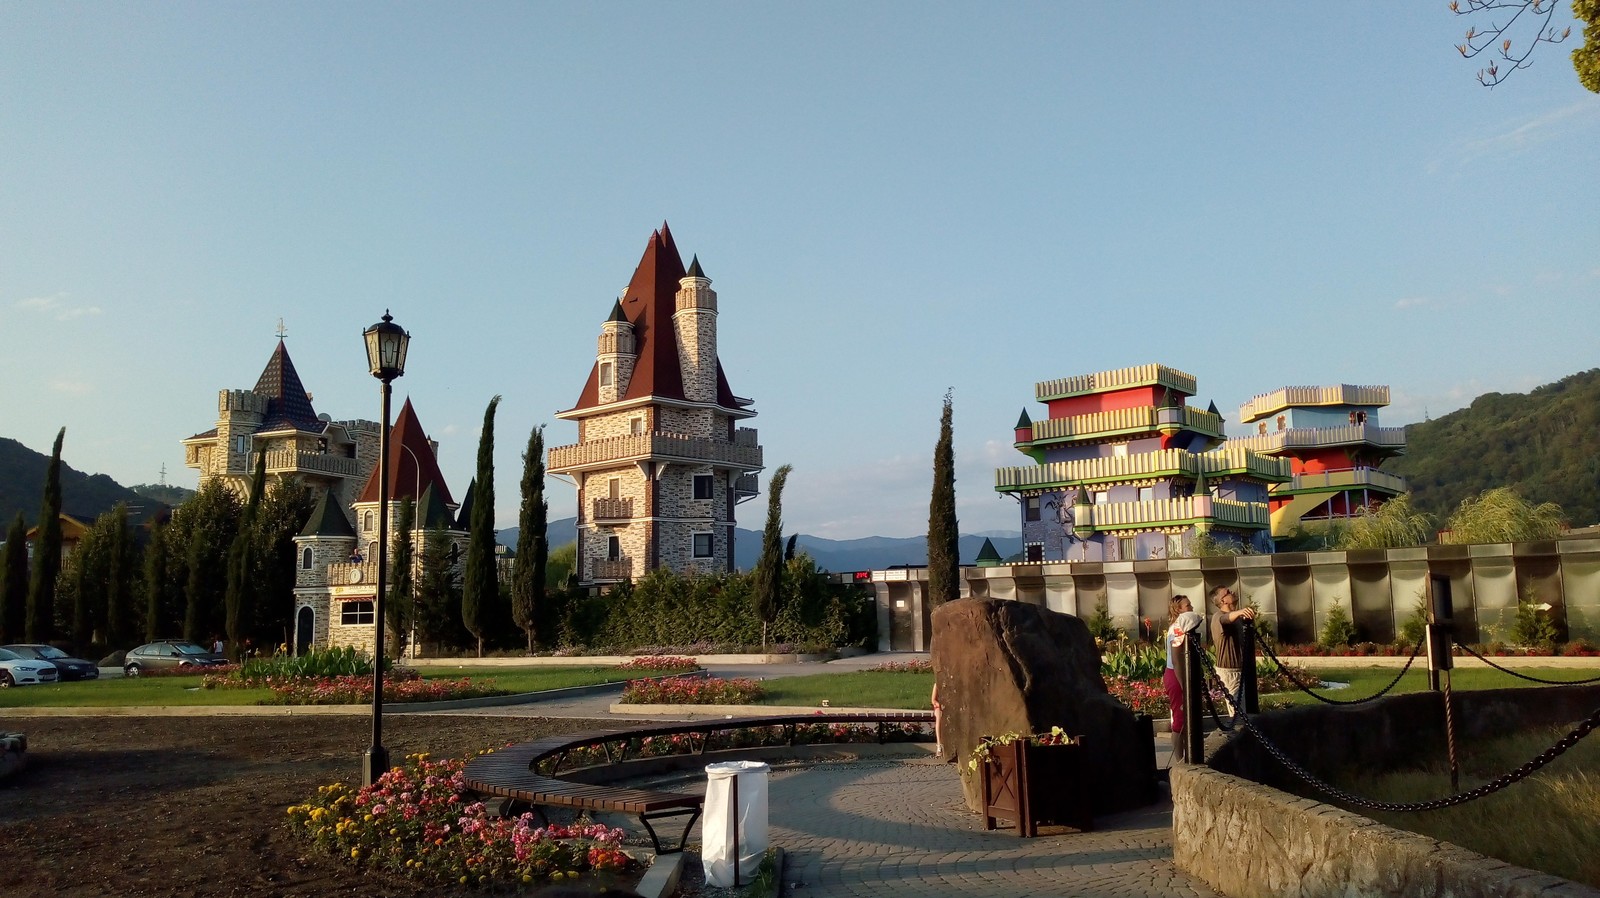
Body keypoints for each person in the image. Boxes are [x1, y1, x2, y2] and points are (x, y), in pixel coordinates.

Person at [1164, 598, 1203, 763]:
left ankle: (1186, 757)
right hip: (1177, 675)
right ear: (1178, 610)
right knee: (1180, 720)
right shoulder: (1178, 629)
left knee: (1186, 718)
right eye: (1188, 605)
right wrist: (1184, 684)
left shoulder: (1181, 627)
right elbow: (1177, 659)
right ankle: (1180, 761)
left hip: (1178, 674)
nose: (1191, 607)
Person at [1209, 585, 1256, 717]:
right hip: (1230, 670)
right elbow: (1225, 619)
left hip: (1240, 669)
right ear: (1222, 601)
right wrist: (1240, 612)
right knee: (1237, 713)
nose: (1233, 592)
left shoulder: (1238, 618)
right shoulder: (1218, 616)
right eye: (1228, 592)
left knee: (1243, 710)